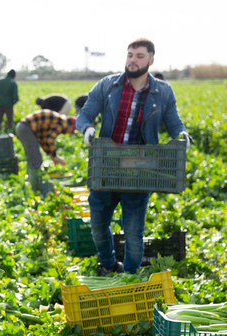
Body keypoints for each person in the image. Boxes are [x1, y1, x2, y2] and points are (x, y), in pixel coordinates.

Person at [76, 38, 192, 277]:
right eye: (130, 55)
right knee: (98, 225)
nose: (133, 60)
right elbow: (84, 115)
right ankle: (108, 264)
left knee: (133, 232)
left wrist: (182, 135)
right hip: (106, 167)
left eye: (139, 56)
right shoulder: (107, 86)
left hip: (141, 170)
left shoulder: (162, 92)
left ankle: (129, 277)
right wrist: (87, 129)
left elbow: (174, 123)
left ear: (151, 60)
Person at [16, 110, 77, 192]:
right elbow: (49, 139)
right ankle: (34, 190)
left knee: (33, 158)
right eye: (71, 131)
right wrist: (54, 156)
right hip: (27, 128)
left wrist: (52, 156)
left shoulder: (60, 120)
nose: (68, 133)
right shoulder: (63, 123)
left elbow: (44, 140)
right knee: (35, 160)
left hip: (24, 127)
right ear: (71, 126)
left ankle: (29, 185)